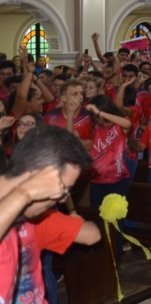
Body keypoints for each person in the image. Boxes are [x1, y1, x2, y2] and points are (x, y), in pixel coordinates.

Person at [0, 126, 99, 304]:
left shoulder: (21, 218)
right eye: (62, 190)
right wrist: (26, 192)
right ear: (39, 175)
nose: (59, 199)